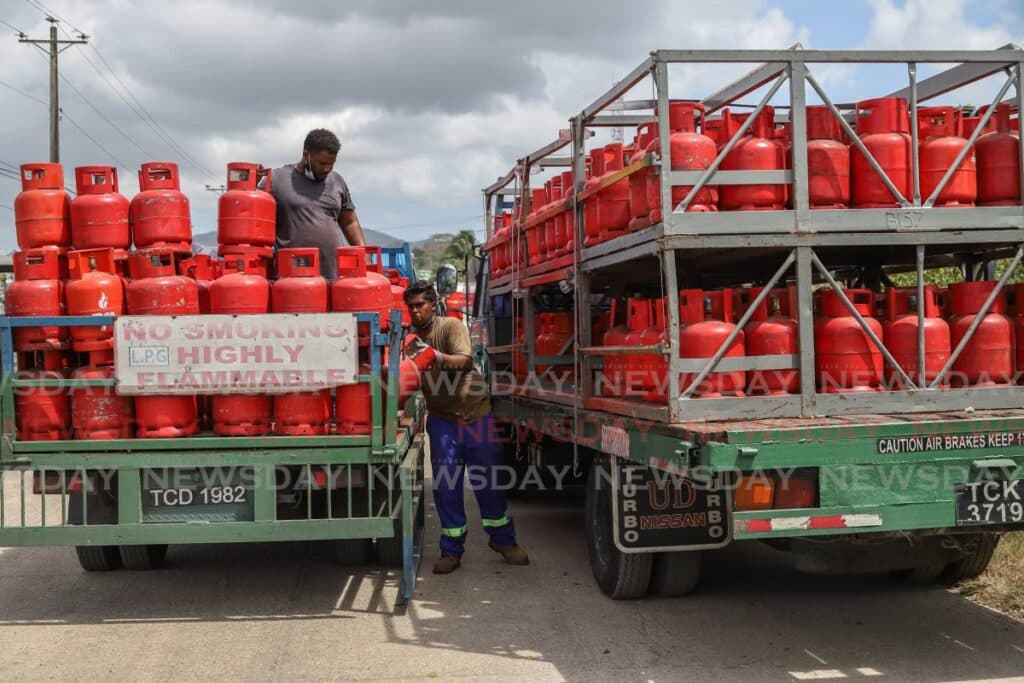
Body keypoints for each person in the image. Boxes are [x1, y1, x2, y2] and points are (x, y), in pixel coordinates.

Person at [404, 279, 529, 574]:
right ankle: (452, 550)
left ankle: (503, 540)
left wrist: (435, 356)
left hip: (476, 416)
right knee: (446, 486)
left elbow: (464, 360)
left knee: (489, 481)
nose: (416, 311)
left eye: (420, 305)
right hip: (443, 420)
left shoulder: (450, 327)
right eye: (410, 307)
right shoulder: (409, 340)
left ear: (433, 304)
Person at [265, 128, 367, 280]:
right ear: (306, 155)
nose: (327, 169)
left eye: (331, 164)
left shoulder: (337, 181)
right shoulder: (275, 180)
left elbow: (349, 222)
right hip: (293, 279)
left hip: (334, 275)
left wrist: (365, 257)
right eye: (322, 163)